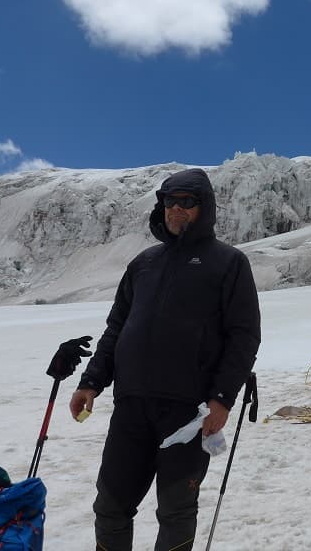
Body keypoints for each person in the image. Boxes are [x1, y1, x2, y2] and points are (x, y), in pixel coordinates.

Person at [68, 168, 261, 551]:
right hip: (132, 407)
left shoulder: (228, 263)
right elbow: (117, 328)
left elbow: (244, 336)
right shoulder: (143, 264)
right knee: (110, 505)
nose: (176, 210)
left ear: (204, 208)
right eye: (170, 202)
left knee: (175, 510)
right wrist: (91, 381)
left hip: (187, 413)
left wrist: (222, 399)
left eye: (187, 202)